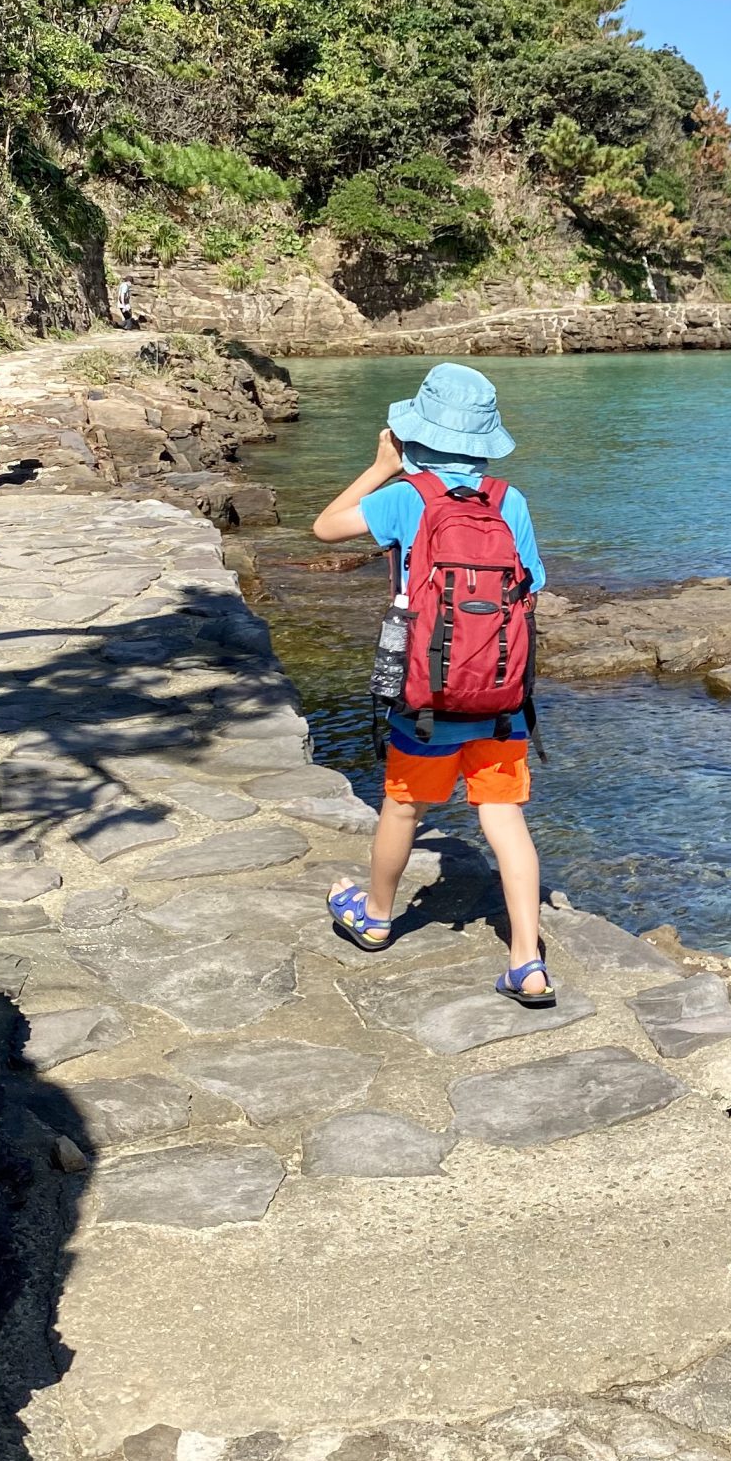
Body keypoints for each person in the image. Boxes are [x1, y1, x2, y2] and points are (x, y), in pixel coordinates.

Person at [310, 363, 554, 1006]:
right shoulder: (508, 500)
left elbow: (324, 527)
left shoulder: (406, 497)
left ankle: (377, 915)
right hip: (502, 699)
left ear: (418, 431)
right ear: (482, 441)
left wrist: (381, 466)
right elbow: (535, 584)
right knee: (505, 819)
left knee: (404, 807)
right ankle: (527, 960)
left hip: (427, 697)